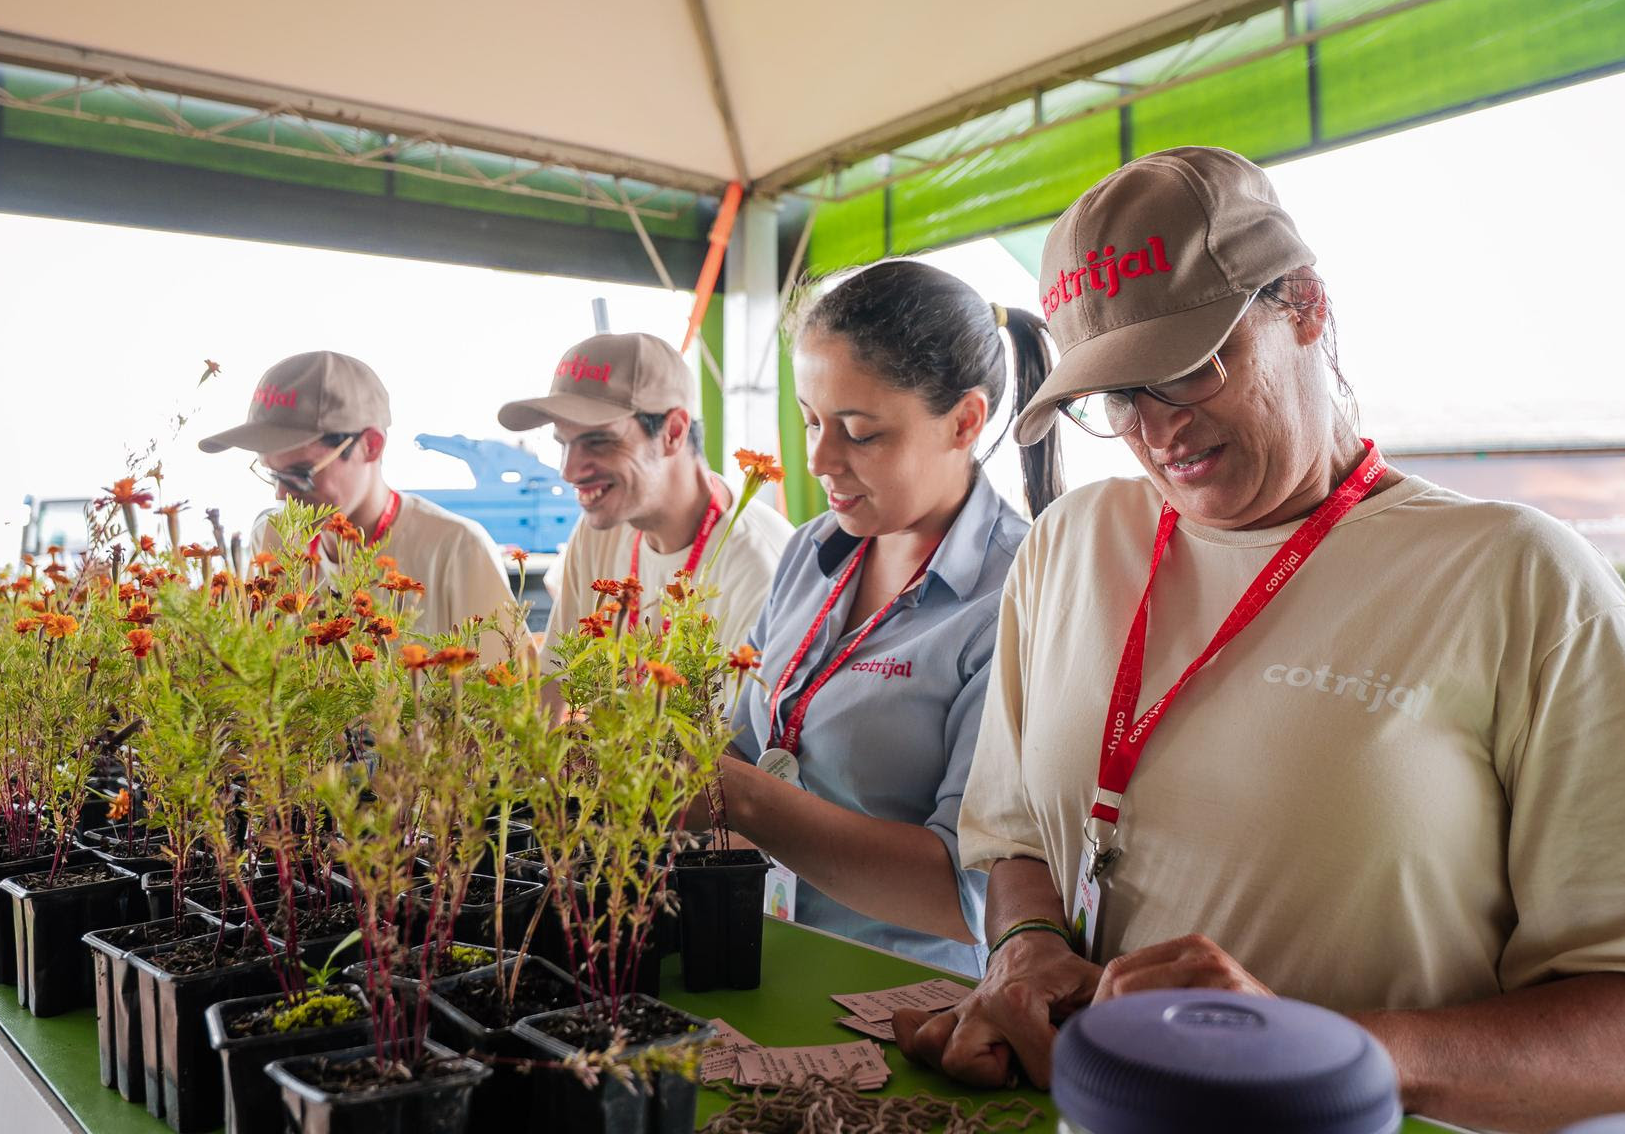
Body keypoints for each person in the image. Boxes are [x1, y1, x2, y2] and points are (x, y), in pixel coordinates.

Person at [897, 147, 1625, 1129]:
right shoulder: (1067, 544)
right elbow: (1016, 837)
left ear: (1305, 305)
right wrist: (1031, 943)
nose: (1155, 430)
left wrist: (1324, 1049)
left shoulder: (1518, 576)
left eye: (1185, 367)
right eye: (1117, 395)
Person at [715, 262, 1061, 975]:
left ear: (965, 420)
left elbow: (971, 892)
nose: (818, 458)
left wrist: (740, 801)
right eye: (811, 420)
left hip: (907, 999)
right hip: (762, 954)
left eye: (860, 432)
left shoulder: (1016, 596)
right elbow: (745, 744)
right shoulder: (815, 550)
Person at [199, 350, 523, 658]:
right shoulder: (272, 537)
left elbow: (517, 704)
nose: (281, 495)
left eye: (300, 473)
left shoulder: (456, 549)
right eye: (272, 473)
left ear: (371, 445)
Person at [498, 332, 792, 660]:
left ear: (673, 432)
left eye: (597, 440)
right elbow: (555, 680)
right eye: (564, 443)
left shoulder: (760, 568)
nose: (568, 471)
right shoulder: (601, 527)